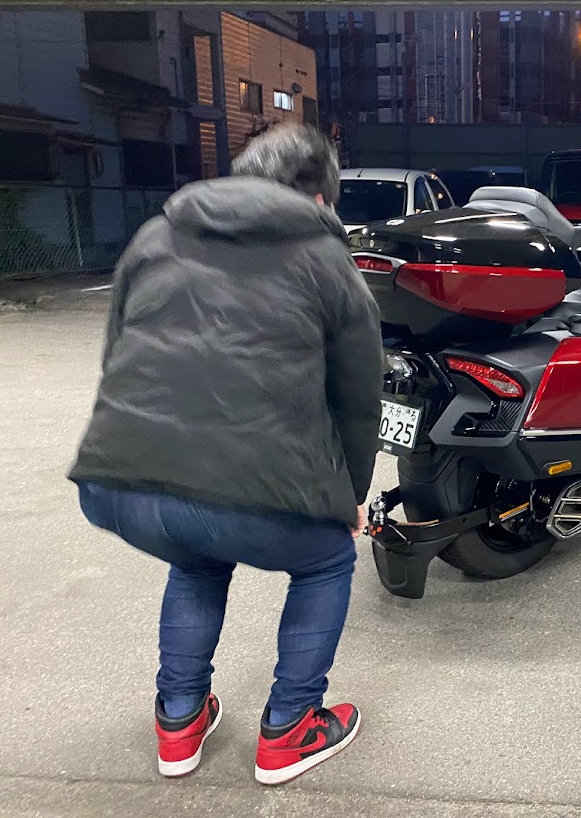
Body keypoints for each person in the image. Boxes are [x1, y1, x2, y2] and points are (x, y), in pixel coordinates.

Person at [69, 124, 382, 785]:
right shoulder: (327, 260)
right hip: (245, 494)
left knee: (198, 557)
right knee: (328, 559)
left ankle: (179, 719)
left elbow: (117, 352)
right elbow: (357, 399)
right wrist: (351, 496)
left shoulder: (155, 235)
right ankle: (292, 727)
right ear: (321, 197)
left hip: (118, 484)